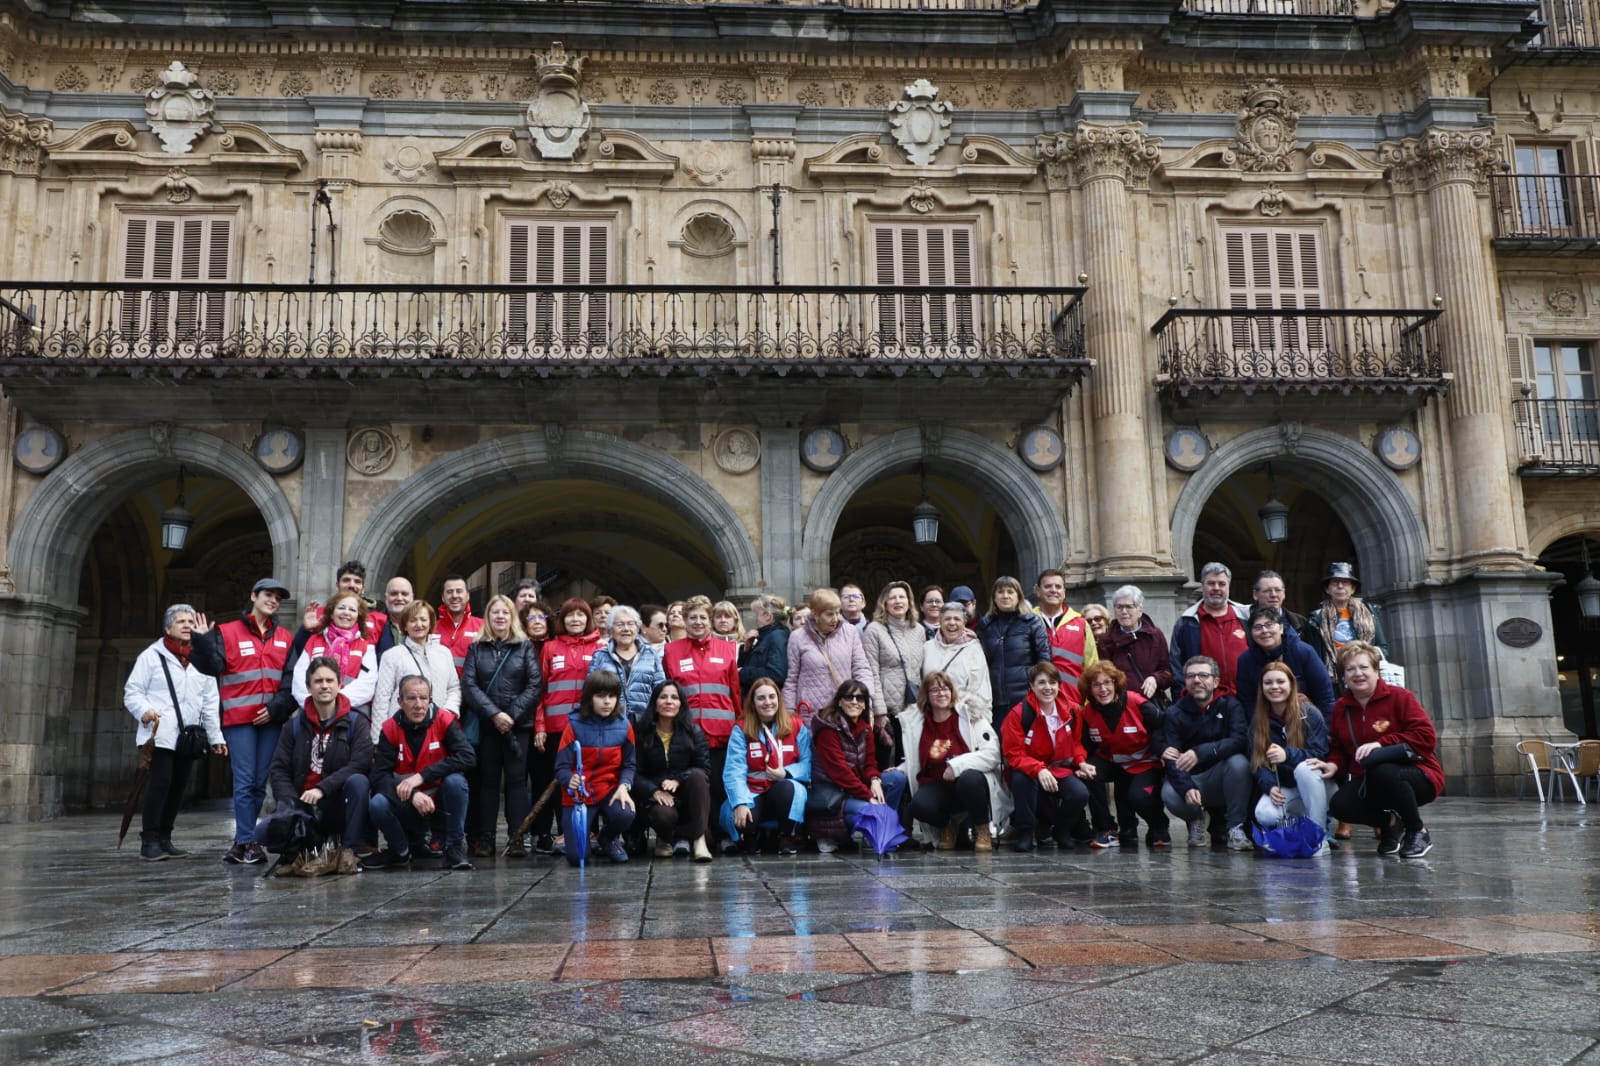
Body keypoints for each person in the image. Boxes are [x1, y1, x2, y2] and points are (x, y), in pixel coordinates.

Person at [190, 577, 294, 865]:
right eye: (268, 595)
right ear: (253, 596)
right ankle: (247, 840)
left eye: (277, 598)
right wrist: (201, 641)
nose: (273, 601)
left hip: (270, 720)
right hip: (239, 720)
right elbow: (213, 667)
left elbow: (290, 680)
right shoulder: (226, 632)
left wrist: (276, 709)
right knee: (245, 780)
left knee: (260, 782)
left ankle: (244, 841)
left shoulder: (285, 637)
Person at [1314, 641, 1443, 858]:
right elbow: (1338, 747)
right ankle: (1391, 823)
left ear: (1376, 670)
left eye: (1364, 667)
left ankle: (1417, 830)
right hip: (1367, 780)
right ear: (1343, 676)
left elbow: (1426, 736)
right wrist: (1333, 764)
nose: (1358, 674)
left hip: (1416, 775)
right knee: (1340, 806)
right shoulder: (1340, 708)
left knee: (1382, 769)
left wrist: (1382, 743)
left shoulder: (1400, 697)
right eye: (1350, 669)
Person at [124, 604, 225, 859]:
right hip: (158, 732)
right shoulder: (151, 656)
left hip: (188, 736)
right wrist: (144, 710)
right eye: (181, 621)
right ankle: (149, 841)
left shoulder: (201, 659)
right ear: (168, 628)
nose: (187, 625)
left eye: (191, 621)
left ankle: (165, 838)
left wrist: (215, 737)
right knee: (160, 785)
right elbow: (133, 691)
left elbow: (210, 702)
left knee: (178, 787)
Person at [261, 655, 372, 874]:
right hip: (303, 805)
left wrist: (322, 788)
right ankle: (306, 850)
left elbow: (360, 763)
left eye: (330, 681)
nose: (324, 686)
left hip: (338, 803)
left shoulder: (356, 722)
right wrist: (291, 806)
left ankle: (348, 850)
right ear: (308, 686)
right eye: (318, 681)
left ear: (339, 685)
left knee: (359, 782)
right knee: (263, 833)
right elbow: (279, 769)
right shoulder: (293, 726)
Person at [364, 675, 477, 871]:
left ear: (430, 700)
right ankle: (400, 851)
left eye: (423, 698)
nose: (418, 705)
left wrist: (423, 776)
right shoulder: (390, 729)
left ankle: (454, 848)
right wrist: (414, 794)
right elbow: (379, 776)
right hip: (407, 799)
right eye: (411, 698)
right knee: (377, 803)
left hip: (440, 800)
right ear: (400, 701)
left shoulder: (444, 720)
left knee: (456, 782)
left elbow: (468, 757)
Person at [462, 594, 541, 857]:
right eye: (495, 612)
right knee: (488, 782)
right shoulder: (476, 648)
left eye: (505, 613)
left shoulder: (525, 646)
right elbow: (470, 686)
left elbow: (534, 685)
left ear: (512, 617)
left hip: (518, 726)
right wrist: (495, 714)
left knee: (518, 782)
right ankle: (486, 838)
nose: (500, 617)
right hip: (487, 726)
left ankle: (517, 837)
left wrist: (512, 715)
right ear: (487, 617)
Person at [896, 670, 1007, 852]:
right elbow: (916, 759)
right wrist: (900, 769)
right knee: (918, 806)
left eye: (945, 688)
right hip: (936, 783)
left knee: (969, 779)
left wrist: (956, 766)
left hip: (967, 784)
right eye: (934, 690)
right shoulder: (919, 722)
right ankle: (948, 824)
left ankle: (982, 828)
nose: (941, 693)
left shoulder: (970, 715)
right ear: (926, 695)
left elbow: (992, 754)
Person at [534, 597, 606, 854]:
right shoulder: (550, 648)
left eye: (581, 615)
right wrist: (540, 726)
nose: (575, 620)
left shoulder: (600, 648)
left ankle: (592, 831)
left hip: (589, 727)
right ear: (561, 620)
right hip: (556, 727)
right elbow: (540, 690)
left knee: (591, 777)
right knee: (562, 780)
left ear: (589, 619)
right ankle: (564, 831)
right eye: (570, 615)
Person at [1160, 655, 1252, 851]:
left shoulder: (1230, 705)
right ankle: (1195, 821)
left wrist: (1200, 752)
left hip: (1223, 777)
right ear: (1185, 681)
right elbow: (1171, 758)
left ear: (1216, 681)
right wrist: (1186, 787)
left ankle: (1235, 827)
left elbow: (1239, 740)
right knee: (1169, 792)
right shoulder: (1174, 714)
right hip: (1192, 779)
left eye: (1203, 675)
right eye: (1191, 676)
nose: (1197, 680)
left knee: (1239, 763)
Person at [664, 595, 743, 818]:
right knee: (689, 786)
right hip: (686, 731)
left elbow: (734, 690)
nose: (698, 622)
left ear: (710, 620)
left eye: (702, 617)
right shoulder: (672, 651)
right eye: (692, 617)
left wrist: (740, 722)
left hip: (722, 731)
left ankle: (721, 835)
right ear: (685, 621)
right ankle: (690, 834)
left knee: (719, 785)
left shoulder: (727, 649)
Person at [1001, 662, 1093, 852]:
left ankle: (1061, 831)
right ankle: (1026, 832)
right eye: (1041, 683)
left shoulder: (1073, 711)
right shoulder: (1019, 714)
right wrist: (1039, 769)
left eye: (1052, 682)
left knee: (1080, 794)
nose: (1047, 688)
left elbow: (1075, 744)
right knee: (1021, 780)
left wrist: (1081, 762)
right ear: (1032, 686)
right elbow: (1014, 753)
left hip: (1058, 769)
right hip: (1029, 769)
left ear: (1059, 685)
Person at [807, 680, 908, 853]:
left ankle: (879, 832)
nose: (854, 701)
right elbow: (840, 773)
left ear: (864, 705)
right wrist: (869, 796)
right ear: (839, 701)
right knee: (870, 809)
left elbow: (869, 763)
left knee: (896, 779)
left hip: (855, 789)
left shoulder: (864, 728)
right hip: (834, 794)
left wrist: (875, 779)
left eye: (860, 698)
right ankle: (832, 834)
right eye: (849, 697)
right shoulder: (827, 729)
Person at [1077, 660, 1169, 849]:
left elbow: (1162, 725)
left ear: (1115, 684)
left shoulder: (1136, 702)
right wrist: (1081, 764)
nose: (1103, 689)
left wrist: (1163, 752)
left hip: (1145, 762)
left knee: (1138, 797)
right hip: (1113, 762)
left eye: (1107, 683)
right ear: (1090, 689)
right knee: (1088, 772)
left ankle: (1158, 826)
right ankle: (1106, 829)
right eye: (1096, 685)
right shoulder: (1087, 713)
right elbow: (1084, 746)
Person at [553, 671, 638, 865]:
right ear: (589, 698)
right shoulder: (573, 726)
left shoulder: (625, 725)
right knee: (578, 858)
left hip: (609, 789)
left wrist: (624, 785)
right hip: (579, 794)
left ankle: (607, 839)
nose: (607, 701)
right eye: (600, 696)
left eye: (612, 696)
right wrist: (569, 780)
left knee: (626, 813)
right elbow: (561, 767)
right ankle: (583, 842)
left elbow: (629, 763)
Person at [721, 678, 812, 855]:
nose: (768, 702)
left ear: (779, 699)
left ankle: (787, 836)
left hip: (783, 788)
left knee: (788, 790)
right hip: (752, 790)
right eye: (761, 698)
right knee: (741, 819)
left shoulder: (796, 725)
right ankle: (751, 835)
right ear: (753, 703)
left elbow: (807, 764)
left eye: (772, 697)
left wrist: (785, 773)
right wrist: (740, 802)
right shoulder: (741, 728)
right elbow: (734, 769)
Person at [1250, 662, 1333, 856]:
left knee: (1304, 768)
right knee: (1264, 813)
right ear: (1262, 687)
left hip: (1318, 785)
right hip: (1288, 787)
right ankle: (1298, 828)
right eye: (1268, 683)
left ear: (1291, 684)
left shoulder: (1309, 713)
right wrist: (1269, 786)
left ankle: (1319, 836)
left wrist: (1287, 755)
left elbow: (1320, 753)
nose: (1274, 687)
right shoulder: (1259, 719)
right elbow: (1257, 762)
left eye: (1280, 681)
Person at [634, 680, 713, 861]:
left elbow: (705, 768)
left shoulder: (694, 731)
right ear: (655, 704)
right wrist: (653, 791)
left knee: (698, 776)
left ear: (681, 704)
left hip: (687, 794)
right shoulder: (642, 733)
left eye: (674, 698)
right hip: (659, 797)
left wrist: (678, 779)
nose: (669, 702)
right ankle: (671, 837)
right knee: (663, 816)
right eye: (663, 697)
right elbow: (635, 774)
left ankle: (699, 839)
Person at [371, 600, 460, 743]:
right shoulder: (392, 655)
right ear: (405, 625)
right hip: (402, 731)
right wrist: (378, 739)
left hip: (439, 729)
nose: (419, 624)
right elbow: (382, 698)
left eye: (423, 619)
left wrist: (448, 712)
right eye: (413, 620)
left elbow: (454, 687)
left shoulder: (444, 653)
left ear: (430, 623)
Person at [783, 588, 872, 723]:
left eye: (838, 613)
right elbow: (791, 679)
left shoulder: (850, 632)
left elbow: (861, 668)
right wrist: (790, 715)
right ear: (815, 614)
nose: (835, 618)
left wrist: (865, 700)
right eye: (829, 614)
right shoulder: (797, 637)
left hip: (845, 710)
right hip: (811, 714)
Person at [1233, 605, 1336, 719]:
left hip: (1306, 718)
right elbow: (1247, 701)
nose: (1264, 631)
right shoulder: (1246, 660)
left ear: (1281, 628)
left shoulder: (1303, 652)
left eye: (1269, 625)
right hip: (1266, 723)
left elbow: (1324, 696)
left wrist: (1325, 730)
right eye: (1258, 627)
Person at [976, 576, 1051, 731]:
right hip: (994, 701)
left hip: (1026, 699)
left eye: (1010, 591)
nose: (1005, 596)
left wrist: (1040, 690)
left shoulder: (1031, 622)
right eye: (1000, 592)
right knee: (999, 748)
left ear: (1018, 596)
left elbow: (1044, 661)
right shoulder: (985, 625)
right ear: (994, 597)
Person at [1170, 562, 1250, 698]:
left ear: (1228, 586)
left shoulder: (1247, 617)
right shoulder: (1186, 622)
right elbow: (1176, 667)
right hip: (1205, 704)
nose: (1216, 588)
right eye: (1211, 583)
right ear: (1202, 586)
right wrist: (1183, 700)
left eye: (1222, 584)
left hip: (1246, 700)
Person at [290, 590, 377, 712]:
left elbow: (367, 683)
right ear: (331, 613)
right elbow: (299, 677)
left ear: (358, 617)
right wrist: (314, 704)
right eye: (341, 608)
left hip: (352, 711)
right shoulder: (315, 640)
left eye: (352, 610)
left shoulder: (366, 646)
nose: (346, 612)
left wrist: (333, 703)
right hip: (313, 711)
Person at [1303, 562, 1391, 681]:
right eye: (1335, 583)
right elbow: (1311, 656)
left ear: (1353, 589)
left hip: (1364, 676)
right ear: (1327, 589)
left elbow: (1383, 648)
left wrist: (1364, 654)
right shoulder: (1316, 620)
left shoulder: (1370, 614)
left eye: (1345, 583)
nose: (1340, 586)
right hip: (1331, 680)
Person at [1098, 585, 1174, 708]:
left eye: (1129, 606)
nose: (1124, 612)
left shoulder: (1154, 635)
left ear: (1140, 610)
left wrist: (1155, 679)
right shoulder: (1106, 640)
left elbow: (1167, 672)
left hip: (1151, 704)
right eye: (1119, 607)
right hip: (1122, 706)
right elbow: (1105, 677)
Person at [590, 605, 666, 727]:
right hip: (609, 722)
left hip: (645, 724)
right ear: (610, 630)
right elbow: (590, 691)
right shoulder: (600, 656)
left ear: (637, 629)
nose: (626, 629)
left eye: (631, 624)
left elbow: (661, 689)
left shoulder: (651, 655)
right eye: (620, 625)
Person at [863, 580, 925, 725]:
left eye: (902, 597)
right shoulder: (874, 630)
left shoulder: (919, 630)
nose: (898, 601)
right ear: (884, 603)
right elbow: (872, 672)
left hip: (915, 708)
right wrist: (879, 710)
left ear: (909, 602)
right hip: (888, 712)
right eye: (892, 598)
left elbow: (922, 670)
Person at [923, 602, 992, 725]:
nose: (952, 623)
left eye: (957, 619)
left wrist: (982, 721)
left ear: (964, 622)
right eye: (947, 619)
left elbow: (981, 690)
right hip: (931, 718)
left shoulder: (974, 649)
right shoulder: (927, 648)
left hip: (964, 719)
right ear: (940, 621)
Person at [1034, 569, 1098, 685]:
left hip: (1073, 700)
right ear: (1038, 591)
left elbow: (1092, 666)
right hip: (1035, 700)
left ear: (1064, 592)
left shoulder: (1081, 624)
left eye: (1058, 587)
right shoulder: (1027, 622)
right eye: (1048, 586)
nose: (1053, 590)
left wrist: (1089, 700)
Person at [739, 594, 790, 693]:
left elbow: (776, 675)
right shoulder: (766, 636)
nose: (756, 619)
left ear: (767, 615)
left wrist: (743, 672)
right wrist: (747, 650)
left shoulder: (777, 636)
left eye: (757, 614)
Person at [435, 574, 483, 676]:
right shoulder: (430, 628)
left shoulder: (483, 626)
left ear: (467, 596)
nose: (455, 595)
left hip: (471, 690)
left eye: (459, 591)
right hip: (439, 690)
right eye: (449, 592)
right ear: (443, 598)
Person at [374, 577, 415, 658]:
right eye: (394, 594)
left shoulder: (423, 625)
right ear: (385, 598)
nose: (399, 598)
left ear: (412, 598)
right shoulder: (374, 624)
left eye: (404, 594)